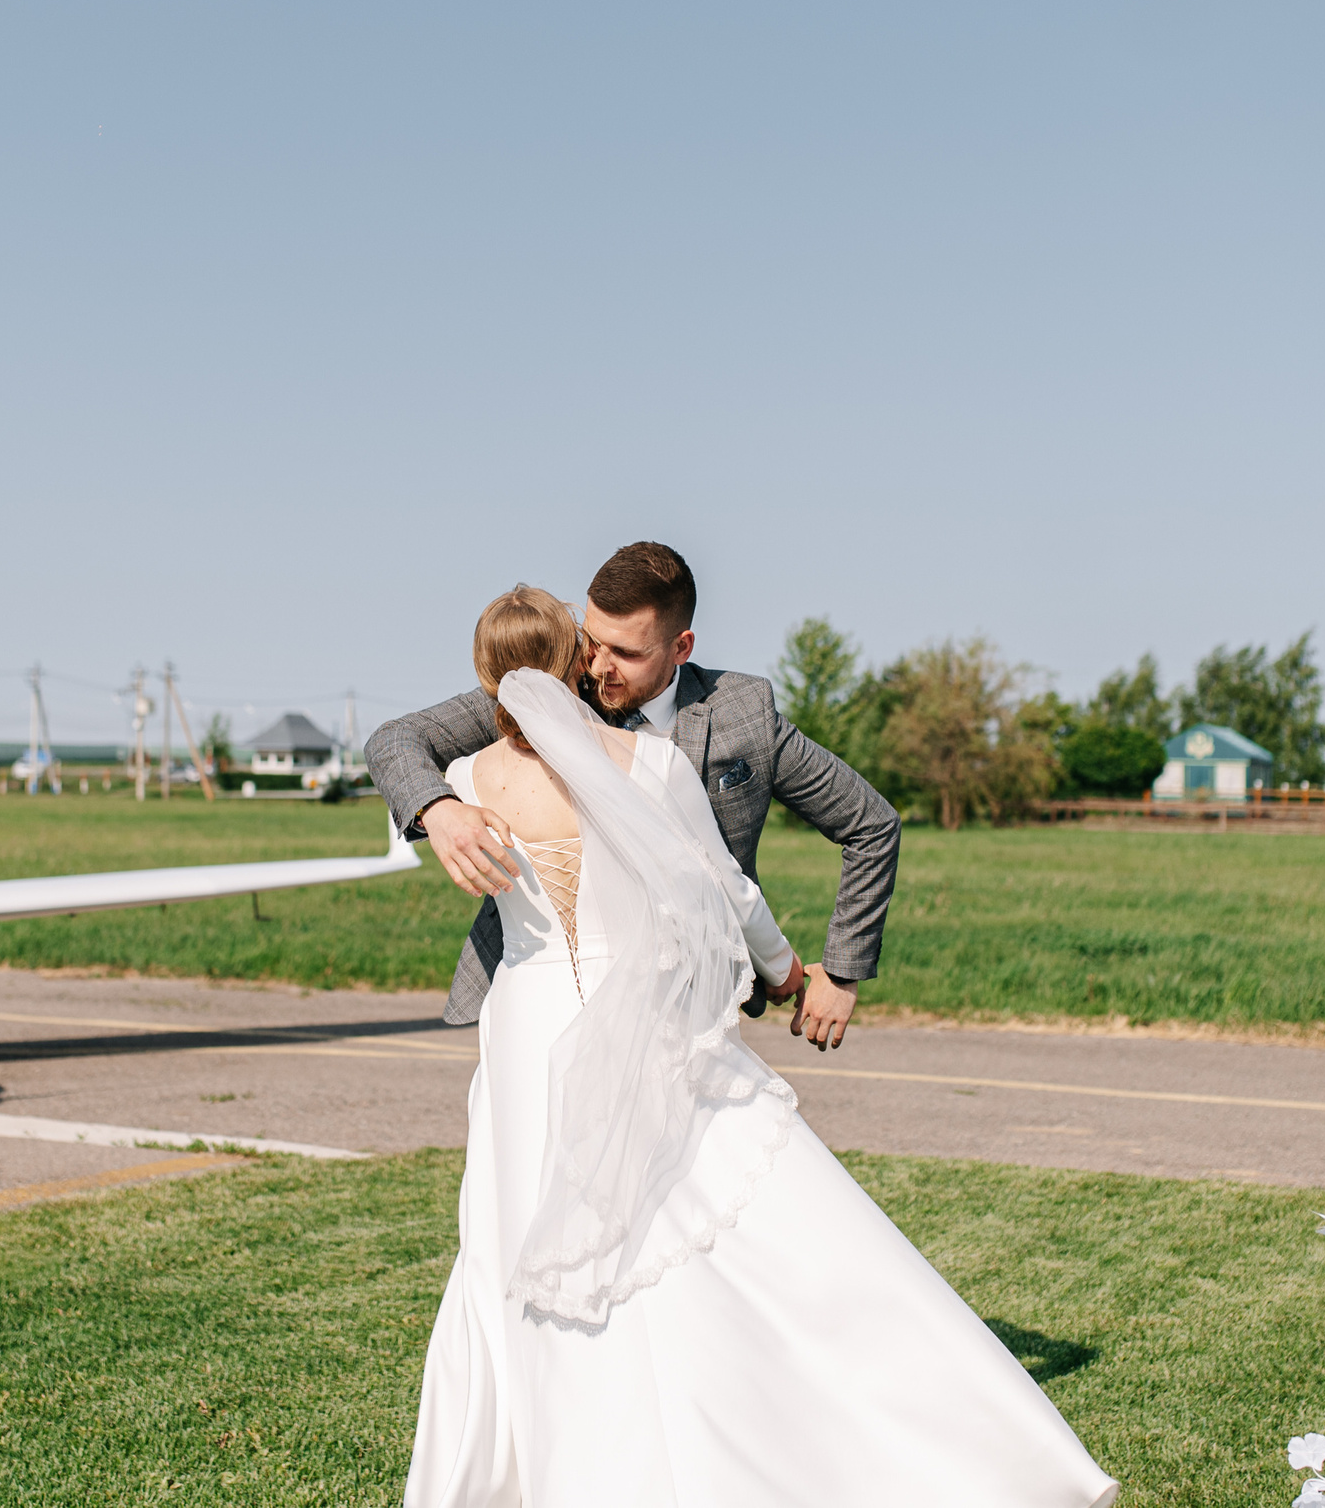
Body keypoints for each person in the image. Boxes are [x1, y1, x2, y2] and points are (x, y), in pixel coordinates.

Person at [405, 588, 1115, 1507]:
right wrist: (784, 975)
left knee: (527, 1233)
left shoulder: (464, 787)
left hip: (530, 1023)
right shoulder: (648, 763)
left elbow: (862, 823)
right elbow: (727, 893)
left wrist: (438, 809)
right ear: (578, 661)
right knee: (680, 1223)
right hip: (637, 1012)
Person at [368, 541, 897, 1049]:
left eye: (625, 652)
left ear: (680, 647)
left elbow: (871, 824)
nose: (598, 667)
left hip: (696, 1003)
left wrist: (844, 972)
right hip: (552, 994)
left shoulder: (745, 715)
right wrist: (436, 811)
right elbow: (395, 740)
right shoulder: (545, 692)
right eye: (592, 642)